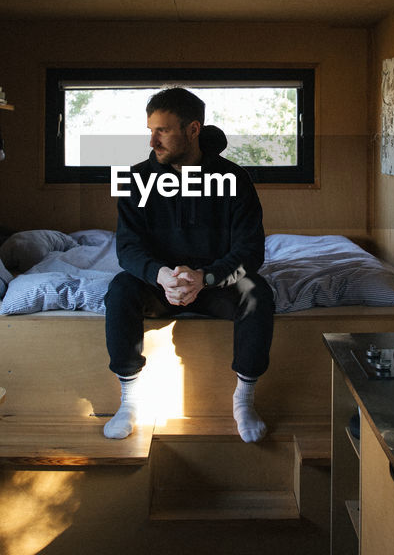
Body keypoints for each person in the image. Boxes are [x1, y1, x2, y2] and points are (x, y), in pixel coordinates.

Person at [102, 87, 274, 442]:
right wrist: (161, 274)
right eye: (150, 130)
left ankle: (243, 400)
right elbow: (127, 248)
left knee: (258, 292)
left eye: (162, 130)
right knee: (120, 289)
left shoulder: (235, 179)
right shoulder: (136, 179)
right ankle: (129, 400)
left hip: (215, 284)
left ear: (193, 130)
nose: (152, 141)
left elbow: (250, 251)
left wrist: (206, 277)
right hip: (159, 284)